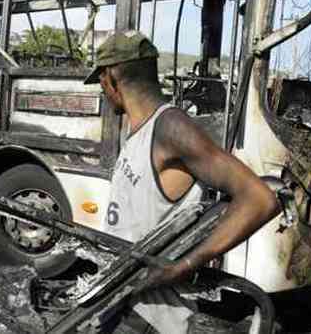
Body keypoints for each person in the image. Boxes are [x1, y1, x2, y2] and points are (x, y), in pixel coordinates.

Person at [83, 31, 279, 333]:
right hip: (123, 301)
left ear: (110, 78)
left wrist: (185, 265)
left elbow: (260, 199)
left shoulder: (170, 127)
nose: (102, 90)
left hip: (150, 316)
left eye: (100, 82)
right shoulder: (141, 129)